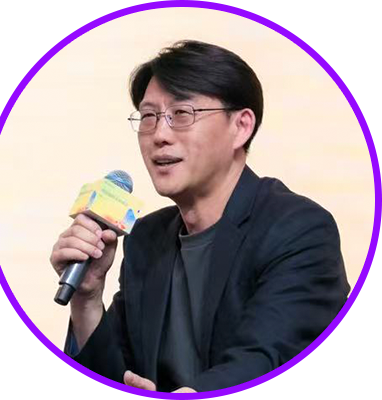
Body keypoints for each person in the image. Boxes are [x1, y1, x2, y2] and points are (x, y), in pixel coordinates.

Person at [50, 40, 350, 393]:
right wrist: (86, 299)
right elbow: (115, 378)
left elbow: (266, 359)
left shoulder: (298, 229)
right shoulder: (147, 238)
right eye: (148, 117)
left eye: (182, 114)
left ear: (241, 126)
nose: (159, 135)